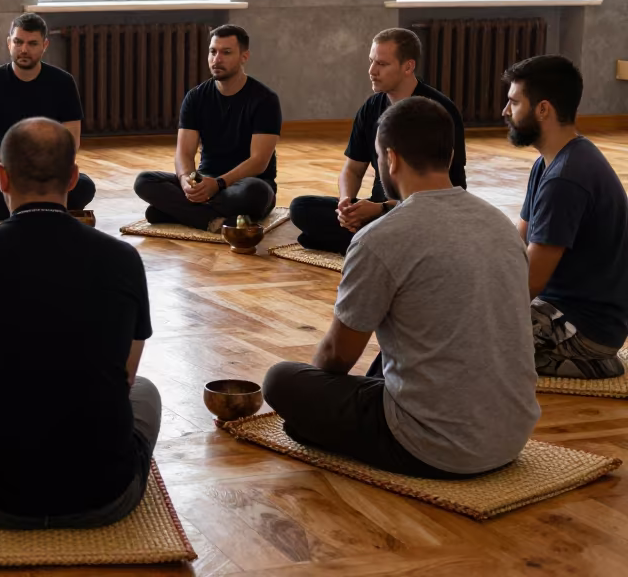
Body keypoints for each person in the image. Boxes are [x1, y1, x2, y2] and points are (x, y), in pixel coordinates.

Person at [264, 97, 539, 478]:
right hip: (511, 435)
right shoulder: (500, 224)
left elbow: (337, 357)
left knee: (281, 380)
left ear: (390, 159)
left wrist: (315, 394)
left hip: (433, 447)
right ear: (449, 152)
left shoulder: (381, 237)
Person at [0, 117, 159, 529]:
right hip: (106, 493)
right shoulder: (123, 259)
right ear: (73, 178)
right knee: (147, 394)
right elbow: (126, 377)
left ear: (2, 178)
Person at [503, 55, 628, 379]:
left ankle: (588, 359)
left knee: (468, 338)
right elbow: (519, 243)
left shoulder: (566, 179)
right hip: (560, 307)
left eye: (514, 103)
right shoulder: (549, 163)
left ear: (543, 109)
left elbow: (530, 280)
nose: (505, 112)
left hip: (586, 328)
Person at [289, 28, 466, 255]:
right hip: (378, 210)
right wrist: (346, 204)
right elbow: (352, 170)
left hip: (422, 211)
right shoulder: (371, 107)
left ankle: (366, 243)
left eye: (382, 64)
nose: (372, 71)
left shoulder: (437, 111)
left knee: (311, 237)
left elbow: (448, 187)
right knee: (301, 208)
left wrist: (381, 208)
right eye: (371, 61)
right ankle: (371, 241)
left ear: (408, 67)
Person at [133, 25, 280, 229]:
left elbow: (259, 162)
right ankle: (213, 220)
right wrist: (186, 181)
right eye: (213, 51)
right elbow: (184, 153)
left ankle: (181, 212)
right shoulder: (195, 97)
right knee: (144, 181)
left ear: (244, 57)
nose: (216, 59)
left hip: (244, 185)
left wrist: (218, 184)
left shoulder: (265, 100)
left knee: (255, 192)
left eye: (226, 52)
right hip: (205, 181)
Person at [0, 13, 94, 220]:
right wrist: (6, 177)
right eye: (18, 42)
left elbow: (72, 140)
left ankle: (22, 210)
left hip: (48, 167)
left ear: (45, 45)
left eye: (32, 43)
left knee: (84, 188)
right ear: (9, 43)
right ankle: (42, 210)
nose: (24, 49)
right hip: (3, 167)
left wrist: (51, 172)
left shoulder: (63, 82)